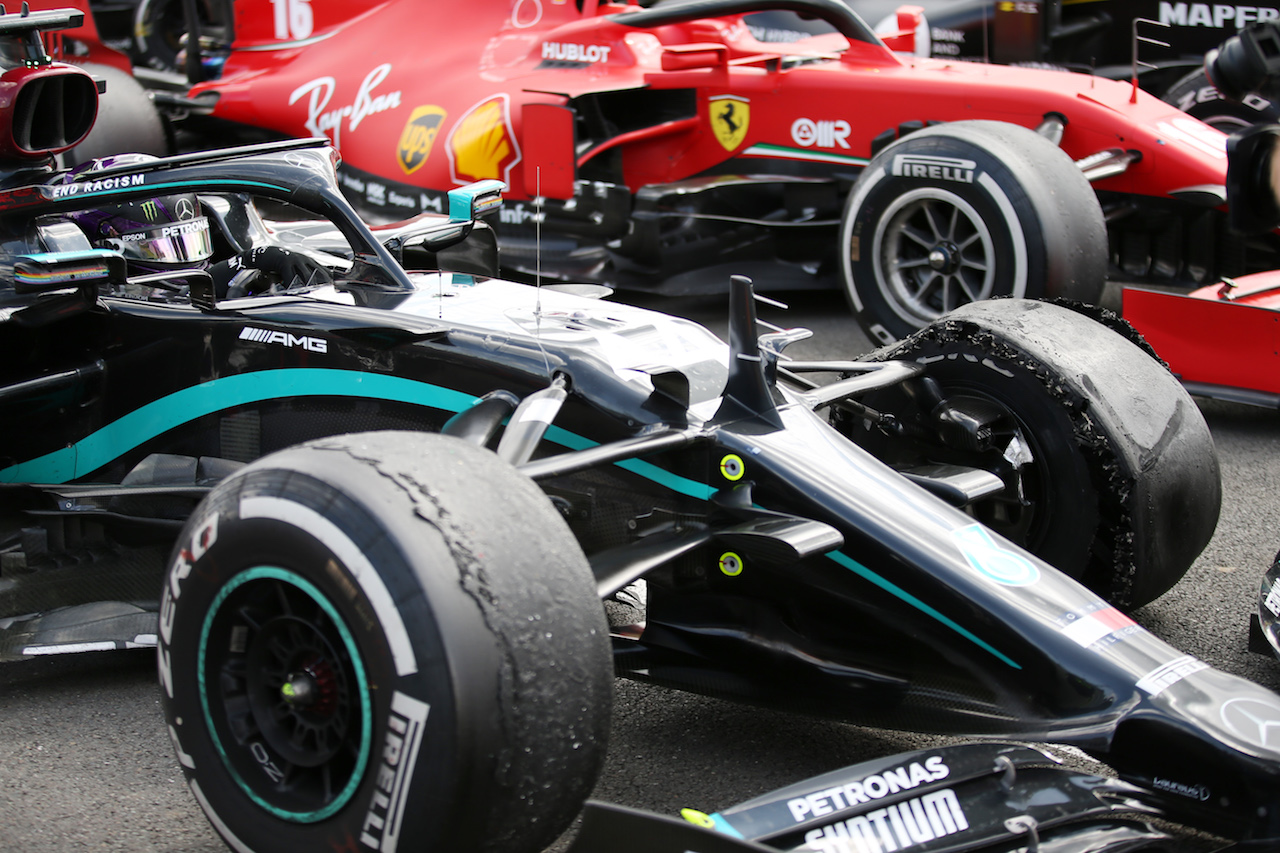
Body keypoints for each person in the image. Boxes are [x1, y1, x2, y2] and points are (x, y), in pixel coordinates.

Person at [62, 154, 332, 298]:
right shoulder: (107, 302)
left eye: (190, 242)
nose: (186, 260)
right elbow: (174, 299)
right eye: (160, 246)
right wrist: (246, 263)